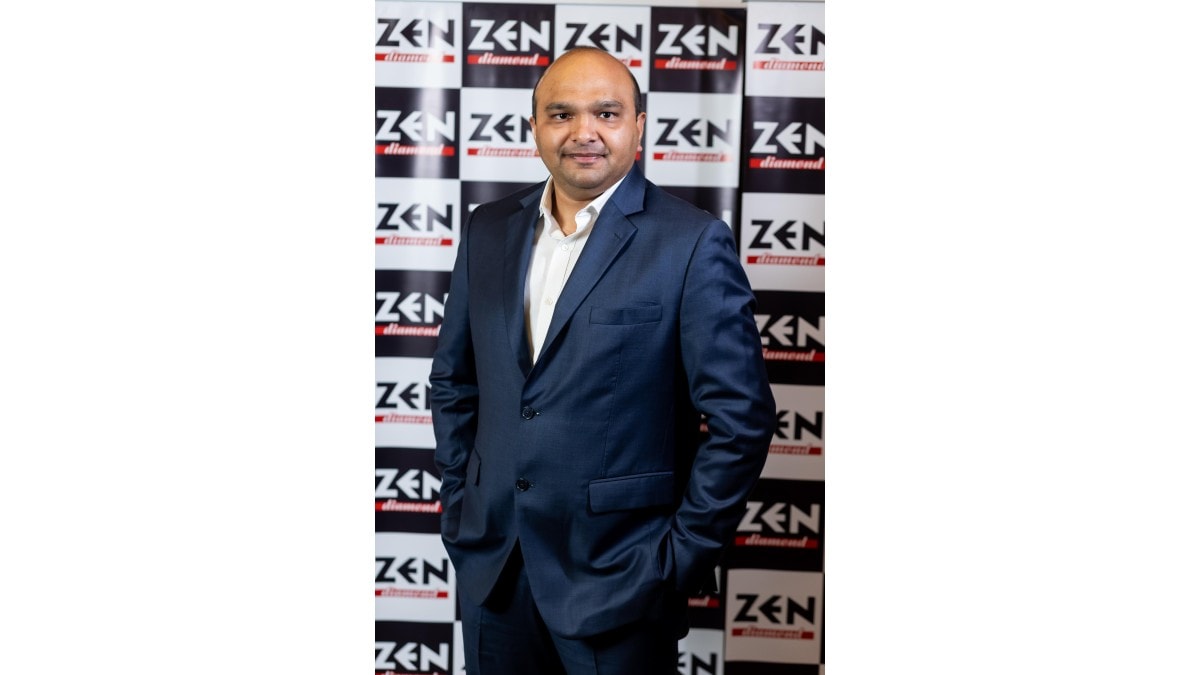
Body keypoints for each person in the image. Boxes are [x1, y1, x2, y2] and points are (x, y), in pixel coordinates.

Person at [430, 47, 776, 675]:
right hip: (495, 570)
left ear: (638, 126)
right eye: (561, 113)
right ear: (534, 125)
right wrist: (461, 505)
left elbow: (741, 421)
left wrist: (675, 560)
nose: (583, 131)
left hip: (622, 580)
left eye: (607, 113)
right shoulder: (488, 229)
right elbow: (456, 381)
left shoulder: (692, 243)